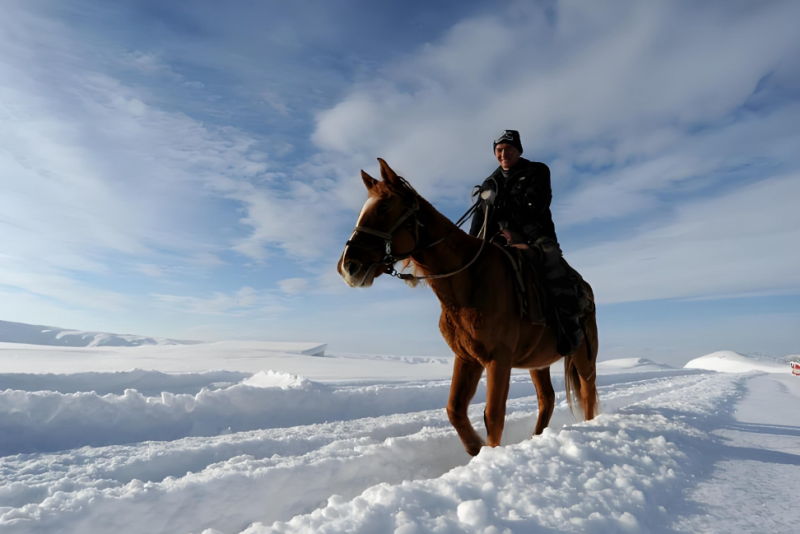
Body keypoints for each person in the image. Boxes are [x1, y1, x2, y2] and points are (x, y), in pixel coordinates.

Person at [469, 130, 585, 355]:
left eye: (508, 149)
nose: (503, 154)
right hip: (499, 240)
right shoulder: (488, 183)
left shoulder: (537, 171)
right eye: (499, 150)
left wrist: (500, 203)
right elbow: (479, 219)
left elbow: (536, 205)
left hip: (536, 237)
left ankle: (570, 329)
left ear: (519, 151)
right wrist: (472, 245)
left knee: (556, 268)